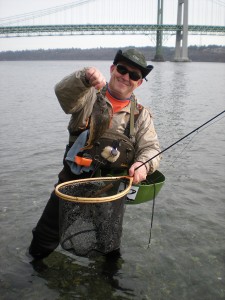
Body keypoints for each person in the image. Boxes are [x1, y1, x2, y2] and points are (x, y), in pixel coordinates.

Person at [28, 48, 161, 260]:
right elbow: (63, 94)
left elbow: (151, 148)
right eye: (122, 69)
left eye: (134, 75)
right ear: (112, 69)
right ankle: (32, 273)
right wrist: (83, 76)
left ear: (140, 82)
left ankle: (109, 284)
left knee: (109, 248)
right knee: (43, 239)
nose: (126, 77)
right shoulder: (87, 95)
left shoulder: (142, 115)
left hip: (110, 192)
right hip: (70, 185)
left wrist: (144, 164)